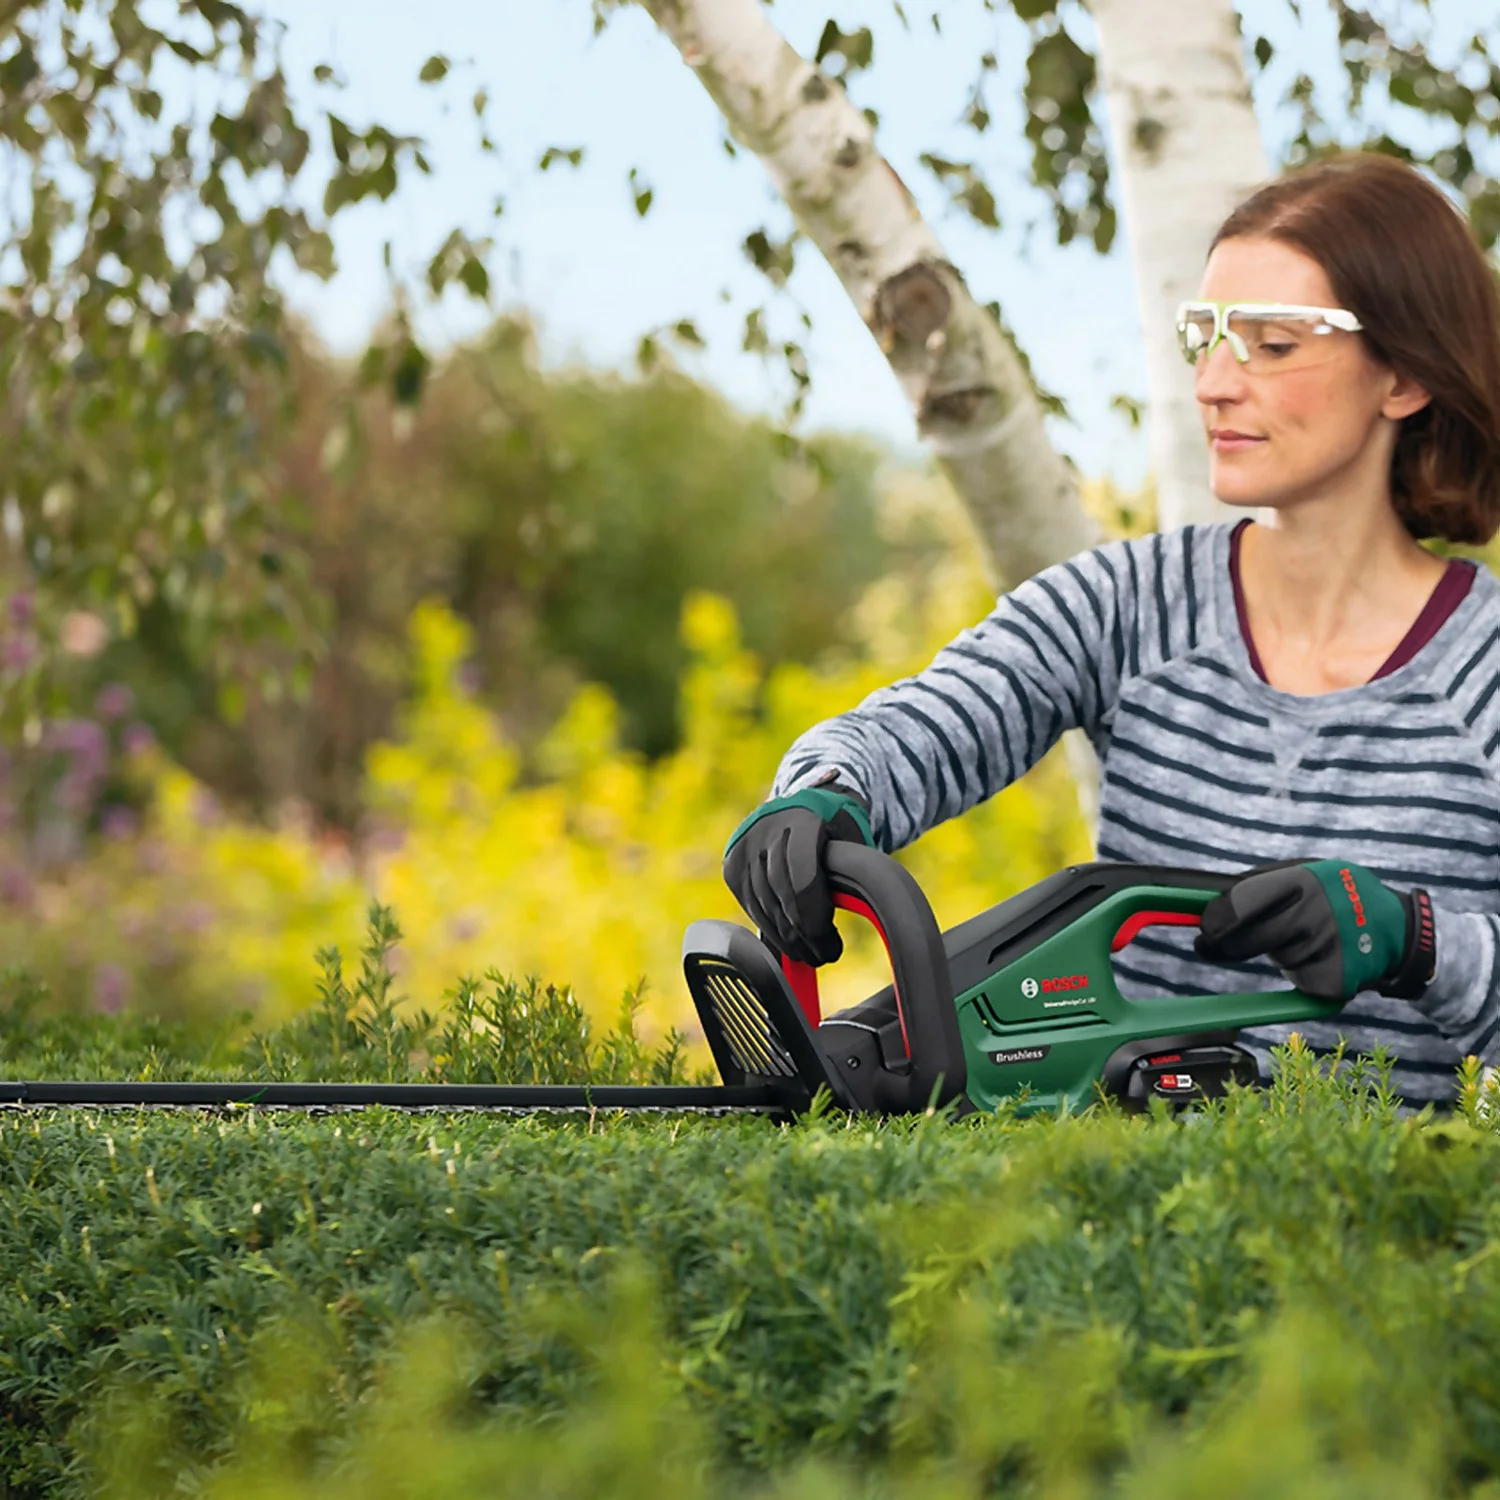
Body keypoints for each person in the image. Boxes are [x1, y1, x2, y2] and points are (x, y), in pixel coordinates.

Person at [722, 152, 1500, 1111]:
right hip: (1119, 1191)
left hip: (1375, 1200)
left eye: (1271, 343)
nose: (1213, 383)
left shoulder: (1485, 669)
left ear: (1405, 375)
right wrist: (824, 796)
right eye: (1206, 337)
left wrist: (1417, 942)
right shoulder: (1132, 604)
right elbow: (927, 721)